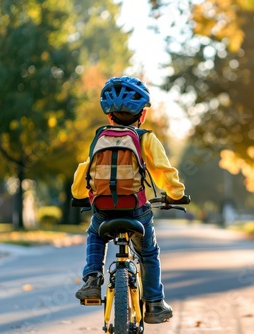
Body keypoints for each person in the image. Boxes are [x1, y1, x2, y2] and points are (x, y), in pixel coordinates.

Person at [72, 76, 186, 324]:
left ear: (109, 116)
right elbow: (164, 171)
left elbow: (87, 170)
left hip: (103, 210)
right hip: (137, 211)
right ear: (142, 115)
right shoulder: (146, 138)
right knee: (149, 254)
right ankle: (155, 304)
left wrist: (81, 195)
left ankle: (92, 279)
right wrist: (176, 194)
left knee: (95, 233)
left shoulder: (100, 137)